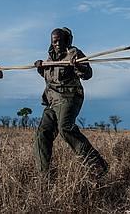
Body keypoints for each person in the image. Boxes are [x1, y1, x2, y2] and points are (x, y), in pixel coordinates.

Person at [33, 27, 108, 176]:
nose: (58, 44)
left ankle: (97, 165)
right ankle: (45, 175)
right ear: (51, 42)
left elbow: (88, 74)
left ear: (67, 40)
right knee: (42, 133)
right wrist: (40, 68)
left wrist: (77, 65)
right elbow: (51, 78)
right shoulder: (49, 58)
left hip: (69, 97)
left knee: (65, 127)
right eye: (55, 41)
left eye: (61, 40)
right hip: (52, 101)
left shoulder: (74, 53)